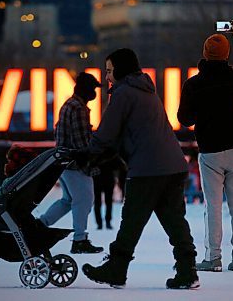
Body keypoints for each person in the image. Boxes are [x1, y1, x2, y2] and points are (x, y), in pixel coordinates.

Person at [82, 48, 199, 289]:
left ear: (121, 70)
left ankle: (116, 268)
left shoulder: (124, 94)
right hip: (173, 165)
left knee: (131, 220)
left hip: (148, 168)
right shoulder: (147, 91)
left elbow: (106, 134)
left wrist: (86, 155)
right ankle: (188, 271)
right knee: (175, 222)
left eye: (109, 71)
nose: (107, 78)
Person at [177, 20, 233, 272]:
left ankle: (213, 257)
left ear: (204, 54)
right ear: (226, 54)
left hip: (210, 152)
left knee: (213, 207)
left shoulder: (194, 84)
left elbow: (184, 119)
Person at [39, 72, 104, 254]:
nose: (95, 93)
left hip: (63, 162)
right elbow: (81, 142)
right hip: (75, 164)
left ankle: (41, 225)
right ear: (86, 89)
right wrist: (93, 162)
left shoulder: (69, 104)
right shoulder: (78, 108)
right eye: (93, 89)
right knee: (84, 199)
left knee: (68, 200)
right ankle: (80, 239)